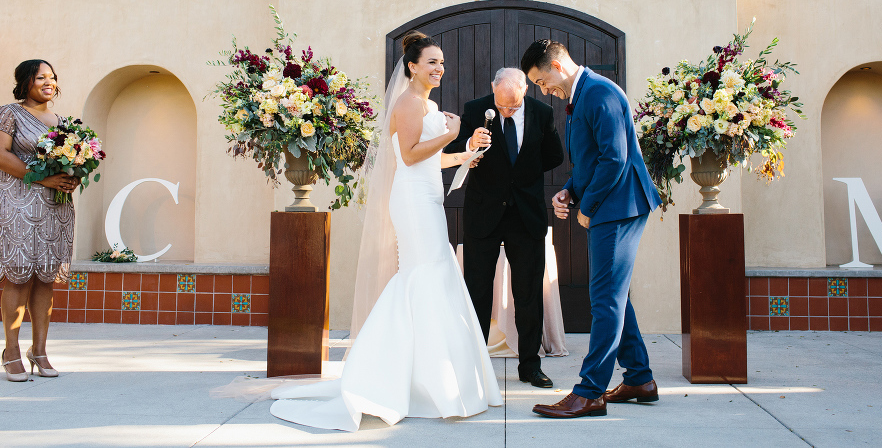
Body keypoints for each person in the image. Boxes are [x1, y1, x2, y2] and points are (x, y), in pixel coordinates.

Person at [267, 31, 501, 431]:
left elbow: (430, 160)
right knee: (425, 275)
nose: (439, 68)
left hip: (427, 198)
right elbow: (409, 157)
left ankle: (424, 378)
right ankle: (408, 382)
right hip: (412, 202)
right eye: (432, 62)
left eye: (442, 62)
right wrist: (451, 131)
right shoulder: (409, 103)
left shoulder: (427, 104)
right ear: (412, 66)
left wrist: (466, 152)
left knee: (434, 274)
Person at [521, 40, 662, 419]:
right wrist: (570, 189)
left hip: (620, 207)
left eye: (540, 80)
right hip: (610, 205)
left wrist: (589, 207)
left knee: (604, 299)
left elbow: (615, 158)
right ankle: (639, 378)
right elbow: (592, 159)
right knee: (612, 295)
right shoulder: (581, 95)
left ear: (556, 65)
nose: (541, 89)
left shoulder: (599, 92)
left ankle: (590, 391)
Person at [445, 67, 564, 388]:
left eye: (513, 107)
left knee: (528, 293)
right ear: (493, 89)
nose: (507, 111)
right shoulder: (474, 110)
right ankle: (475, 365)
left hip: (526, 216)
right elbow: (451, 153)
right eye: (501, 106)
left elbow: (555, 155)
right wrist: (470, 145)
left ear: (525, 90)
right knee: (477, 292)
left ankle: (530, 365)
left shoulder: (542, 113)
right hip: (483, 214)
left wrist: (523, 171)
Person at [0, 60, 79, 382]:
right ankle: (11, 351)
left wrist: (72, 176)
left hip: (55, 205)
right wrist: (44, 179)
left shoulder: (62, 121)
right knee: (19, 275)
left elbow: (72, 158)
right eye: (41, 77)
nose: (48, 82)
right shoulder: (6, 113)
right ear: (26, 82)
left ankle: (39, 350)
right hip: (17, 202)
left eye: (52, 77)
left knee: (45, 277)